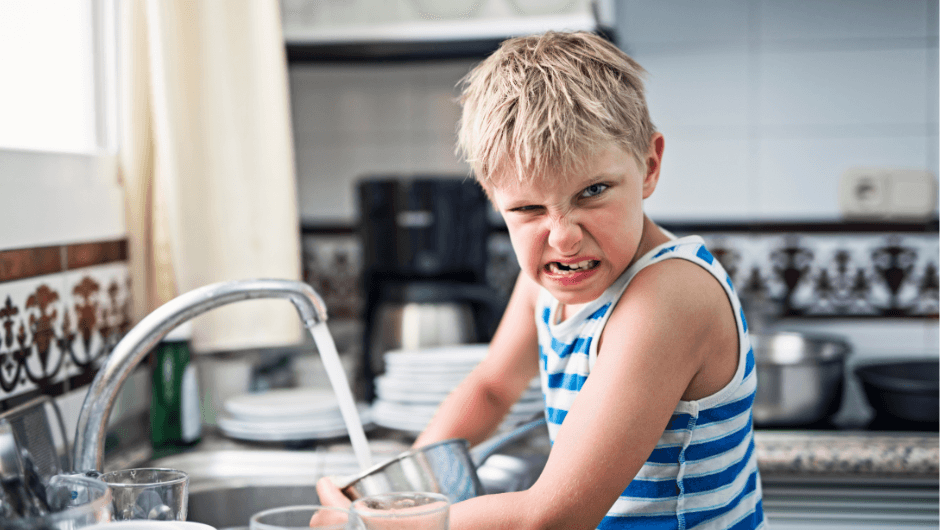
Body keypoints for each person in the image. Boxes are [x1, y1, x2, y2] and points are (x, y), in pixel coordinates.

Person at [317, 30, 765, 530]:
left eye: (593, 191)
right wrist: (404, 495)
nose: (564, 238)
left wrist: (375, 525)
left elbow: (553, 516)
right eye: (529, 208)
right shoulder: (547, 284)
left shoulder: (669, 296)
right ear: (493, 199)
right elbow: (492, 388)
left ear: (649, 166)